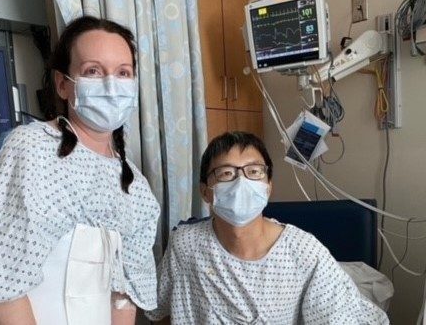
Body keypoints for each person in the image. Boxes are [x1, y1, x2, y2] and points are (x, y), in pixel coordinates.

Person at [0, 16, 160, 325]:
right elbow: (1, 288)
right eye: (93, 71)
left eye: (123, 73)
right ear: (62, 84)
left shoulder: (135, 186)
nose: (111, 85)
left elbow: (124, 295)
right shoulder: (31, 149)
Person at [145, 131, 389, 324]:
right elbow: (162, 312)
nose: (241, 182)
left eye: (254, 171)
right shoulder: (185, 245)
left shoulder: (304, 253)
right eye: (226, 173)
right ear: (205, 191)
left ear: (268, 186)